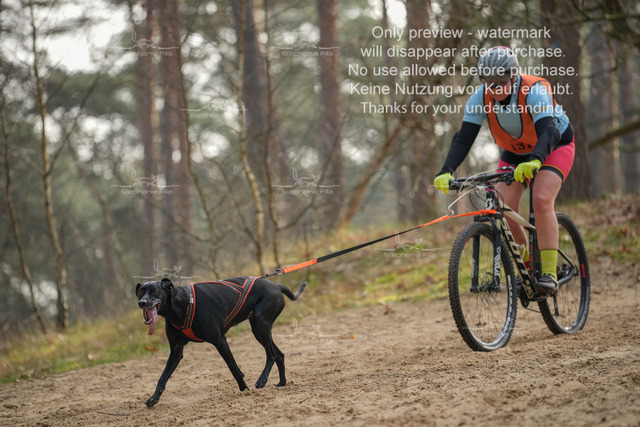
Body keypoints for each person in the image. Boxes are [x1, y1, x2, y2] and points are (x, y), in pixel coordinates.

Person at [433, 46, 575, 295]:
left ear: (514, 75)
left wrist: (536, 160)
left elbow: (549, 131)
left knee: (541, 199)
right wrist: (446, 170)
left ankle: (549, 273)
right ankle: (527, 268)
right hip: (515, 152)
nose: (495, 88)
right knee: (503, 206)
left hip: (554, 145)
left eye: (501, 82)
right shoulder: (480, 98)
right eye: (489, 83)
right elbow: (464, 138)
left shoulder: (534, 91)